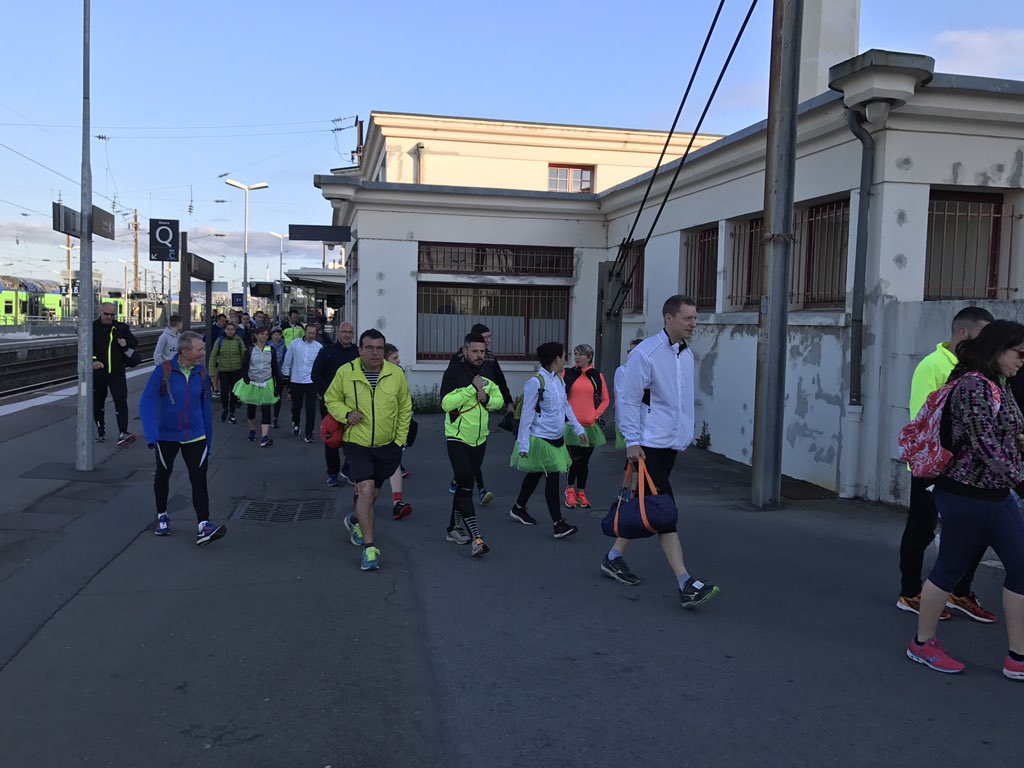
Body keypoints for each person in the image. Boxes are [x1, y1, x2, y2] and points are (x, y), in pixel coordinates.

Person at [905, 319, 1024, 679]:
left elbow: (1004, 434)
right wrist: (1022, 481)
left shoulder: (999, 383)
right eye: (1019, 354)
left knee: (1020, 568)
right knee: (950, 568)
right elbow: (983, 443)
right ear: (997, 350)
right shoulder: (973, 386)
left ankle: (1017, 657)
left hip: (996, 494)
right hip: (966, 495)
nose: (1022, 361)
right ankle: (922, 644)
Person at [610, 295, 719, 609]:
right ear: (668, 318)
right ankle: (685, 583)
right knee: (664, 512)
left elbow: (680, 401)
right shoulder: (646, 353)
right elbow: (629, 400)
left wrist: (684, 434)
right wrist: (632, 441)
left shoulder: (686, 355)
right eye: (688, 318)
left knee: (651, 506)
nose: (693, 324)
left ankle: (613, 556)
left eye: (695, 319)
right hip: (647, 446)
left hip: (670, 443)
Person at [898, 306, 997, 623]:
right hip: (933, 467)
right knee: (921, 529)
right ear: (963, 333)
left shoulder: (977, 368)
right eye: (984, 335)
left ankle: (956, 591)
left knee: (970, 532)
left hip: (964, 470)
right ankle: (910, 592)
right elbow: (926, 419)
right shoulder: (933, 366)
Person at [324, 329, 412, 571]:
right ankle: (369, 549)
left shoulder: (395, 374)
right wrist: (345, 414)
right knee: (365, 490)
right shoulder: (346, 372)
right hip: (357, 443)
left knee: (373, 495)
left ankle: (354, 520)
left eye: (380, 348)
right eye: (370, 348)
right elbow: (331, 399)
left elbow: (405, 407)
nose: (375, 353)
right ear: (360, 349)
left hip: (388, 445)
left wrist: (399, 441)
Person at [138, 331, 225, 545]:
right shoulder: (164, 371)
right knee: (163, 475)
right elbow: (146, 402)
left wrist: (208, 438)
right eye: (200, 349)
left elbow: (205, 407)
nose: (204, 353)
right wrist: (151, 435)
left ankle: (203, 525)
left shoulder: (201, 373)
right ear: (186, 352)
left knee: (199, 479)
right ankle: (162, 515)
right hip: (166, 435)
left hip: (195, 434)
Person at [509, 341, 586, 538]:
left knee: (535, 474)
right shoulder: (536, 382)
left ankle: (518, 507)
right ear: (555, 359)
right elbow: (527, 415)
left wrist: (578, 429)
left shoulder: (559, 380)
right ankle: (558, 523)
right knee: (552, 478)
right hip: (540, 439)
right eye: (563, 356)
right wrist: (523, 443)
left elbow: (566, 407)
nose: (565, 360)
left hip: (557, 438)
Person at [441, 332, 505, 556]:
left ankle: (452, 528)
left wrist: (486, 399)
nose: (479, 355)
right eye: (475, 351)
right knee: (466, 482)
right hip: (457, 438)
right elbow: (446, 403)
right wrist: (471, 390)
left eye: (482, 351)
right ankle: (477, 539)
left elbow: (498, 400)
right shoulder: (453, 372)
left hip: (480, 439)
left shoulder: (486, 372)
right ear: (465, 350)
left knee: (463, 483)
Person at [446, 323, 513, 504]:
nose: (488, 341)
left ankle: (460, 485)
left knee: (471, 465)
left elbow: (499, 381)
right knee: (467, 470)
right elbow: (448, 398)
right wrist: (471, 390)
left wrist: (507, 402)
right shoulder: (458, 362)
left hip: (482, 419)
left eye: (489, 338)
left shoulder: (490, 358)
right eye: (485, 338)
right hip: (460, 425)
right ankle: (481, 490)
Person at [562, 343, 610, 510]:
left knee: (585, 462)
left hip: (590, 425)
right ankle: (569, 491)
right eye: (576, 354)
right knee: (574, 460)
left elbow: (605, 399)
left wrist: (595, 414)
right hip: (572, 426)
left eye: (581, 354)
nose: (577, 357)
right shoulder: (567, 374)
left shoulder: (596, 375)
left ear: (589, 357)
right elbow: (560, 396)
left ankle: (581, 492)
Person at [312, 322, 359, 485]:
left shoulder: (357, 353)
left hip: (353, 405)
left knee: (353, 439)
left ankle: (349, 469)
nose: (347, 335)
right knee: (332, 439)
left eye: (350, 332)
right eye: (344, 332)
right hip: (331, 404)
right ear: (337, 333)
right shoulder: (327, 352)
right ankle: (332, 473)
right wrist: (327, 393)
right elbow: (315, 375)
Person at [92, 301, 139, 446]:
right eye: (106, 314)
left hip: (117, 372)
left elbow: (134, 342)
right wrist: (93, 361)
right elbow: (86, 348)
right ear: (100, 312)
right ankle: (100, 430)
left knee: (121, 400)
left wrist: (125, 343)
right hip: (99, 373)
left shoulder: (120, 328)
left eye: (112, 315)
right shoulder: (92, 328)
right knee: (98, 402)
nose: (109, 317)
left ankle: (123, 431)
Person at [234, 326, 282, 447]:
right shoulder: (250, 349)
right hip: (252, 382)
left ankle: (264, 437)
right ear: (256, 335)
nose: (264, 336)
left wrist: (278, 385)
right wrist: (246, 378)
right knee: (251, 408)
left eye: (266, 334)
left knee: (266, 408)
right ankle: (252, 430)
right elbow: (244, 366)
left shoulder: (271, 349)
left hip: (267, 382)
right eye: (261, 334)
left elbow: (275, 368)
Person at [383, 343, 413, 519]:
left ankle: (397, 503)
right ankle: (361, 497)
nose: (399, 360)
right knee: (370, 473)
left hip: (394, 429)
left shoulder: (398, 374)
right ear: (385, 360)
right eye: (395, 358)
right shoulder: (370, 375)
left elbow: (404, 401)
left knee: (394, 462)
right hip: (371, 432)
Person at [282, 323, 323, 442]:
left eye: (314, 333)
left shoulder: (319, 347)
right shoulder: (294, 344)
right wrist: (286, 376)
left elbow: (321, 365)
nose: (311, 335)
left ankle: (309, 433)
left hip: (311, 381)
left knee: (311, 408)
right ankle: (295, 423)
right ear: (305, 332)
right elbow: (288, 360)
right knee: (296, 407)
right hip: (296, 380)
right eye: (309, 333)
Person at [613, 338, 643, 502]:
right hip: (630, 422)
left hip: (645, 423)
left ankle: (629, 491)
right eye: (629, 352)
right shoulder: (622, 371)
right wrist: (623, 423)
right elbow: (622, 399)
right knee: (634, 457)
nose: (631, 355)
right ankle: (629, 491)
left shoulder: (647, 371)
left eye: (634, 351)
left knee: (636, 459)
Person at [209, 322, 246, 424]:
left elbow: (244, 356)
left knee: (234, 393)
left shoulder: (239, 341)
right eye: (228, 329)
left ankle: (232, 413)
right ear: (225, 330)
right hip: (223, 371)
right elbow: (213, 355)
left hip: (236, 371)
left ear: (235, 331)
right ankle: (225, 408)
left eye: (232, 329)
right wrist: (211, 371)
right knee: (224, 393)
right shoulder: (219, 341)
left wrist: (245, 371)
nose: (230, 331)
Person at [268, 327, 288, 428]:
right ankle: (267, 417)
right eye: (275, 334)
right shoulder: (267, 345)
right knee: (267, 396)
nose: (277, 336)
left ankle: (275, 417)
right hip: (267, 375)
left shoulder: (284, 346)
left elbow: (286, 360)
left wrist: (285, 374)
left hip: (279, 375)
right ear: (271, 336)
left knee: (278, 397)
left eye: (279, 335)